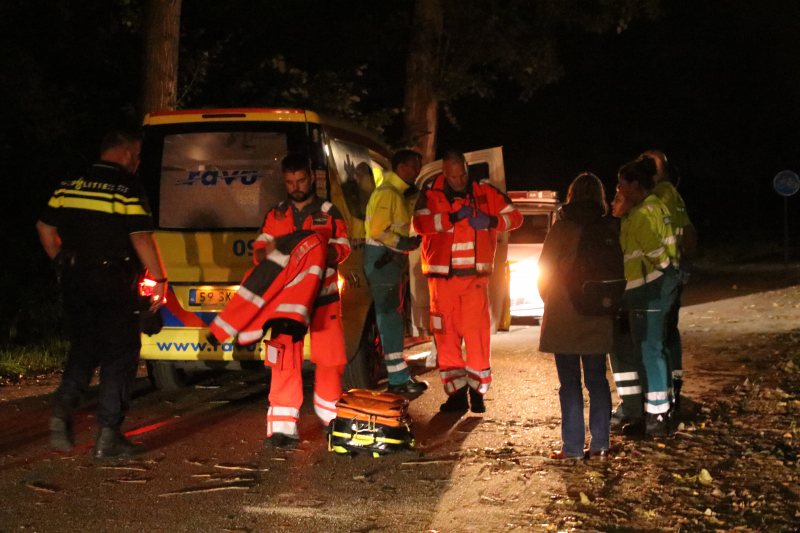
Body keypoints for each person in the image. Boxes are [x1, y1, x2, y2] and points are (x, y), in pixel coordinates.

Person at [36, 130, 167, 458]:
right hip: (113, 281)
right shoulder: (126, 187)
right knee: (120, 352)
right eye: (135, 156)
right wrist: (161, 279)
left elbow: (45, 229)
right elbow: (141, 238)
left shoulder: (70, 184)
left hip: (75, 281)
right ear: (123, 154)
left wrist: (64, 262)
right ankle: (108, 435)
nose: (137, 163)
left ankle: (62, 410)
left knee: (84, 348)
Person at [224, 154, 350, 449]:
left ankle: (332, 420)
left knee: (330, 359)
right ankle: (282, 428)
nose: (296, 187)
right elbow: (260, 248)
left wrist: (315, 252)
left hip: (322, 297)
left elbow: (342, 248)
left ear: (312, 179)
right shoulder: (276, 214)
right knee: (283, 360)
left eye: (301, 180)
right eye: (290, 182)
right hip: (286, 302)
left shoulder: (330, 212)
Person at [413, 151, 522, 413]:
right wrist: (450, 219)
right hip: (442, 281)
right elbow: (419, 223)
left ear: (466, 169)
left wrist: (492, 221)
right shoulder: (430, 193)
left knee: (477, 338)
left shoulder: (485, 192)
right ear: (444, 173)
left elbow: (516, 218)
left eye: (462, 174)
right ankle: (456, 395)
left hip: (474, 280)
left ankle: (478, 393)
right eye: (454, 176)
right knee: (446, 338)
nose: (460, 180)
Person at [537, 173, 616, 459]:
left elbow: (543, 272)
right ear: (600, 197)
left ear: (571, 196)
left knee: (569, 383)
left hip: (564, 313)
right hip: (598, 312)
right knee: (597, 380)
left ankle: (571, 448)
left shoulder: (561, 229)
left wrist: (553, 300)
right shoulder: (609, 227)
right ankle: (600, 445)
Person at [617, 158, 680, 436]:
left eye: (621, 185)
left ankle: (656, 417)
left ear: (634, 184)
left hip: (648, 289)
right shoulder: (658, 206)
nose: (618, 190)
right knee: (656, 348)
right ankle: (662, 409)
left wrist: (666, 274)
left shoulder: (641, 214)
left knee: (648, 349)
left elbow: (655, 252)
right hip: (656, 288)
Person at [364, 149, 428, 394]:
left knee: (391, 318)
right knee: (390, 318)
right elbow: (378, 231)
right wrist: (405, 244)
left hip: (386, 261)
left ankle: (400, 378)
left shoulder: (395, 192)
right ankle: (399, 382)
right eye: (415, 166)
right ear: (401, 167)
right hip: (383, 261)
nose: (417, 171)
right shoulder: (389, 193)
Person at [640, 150, 697, 410]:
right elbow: (688, 231)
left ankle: (661, 397)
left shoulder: (656, 197)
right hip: (671, 274)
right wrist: (685, 264)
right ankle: (672, 387)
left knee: (656, 336)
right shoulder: (672, 194)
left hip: (658, 277)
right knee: (668, 331)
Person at [607, 187, 647, 435]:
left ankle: (632, 409)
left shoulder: (625, 228)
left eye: (618, 199)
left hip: (627, 300)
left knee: (624, 357)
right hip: (633, 298)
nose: (612, 203)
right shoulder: (628, 226)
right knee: (629, 355)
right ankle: (634, 407)